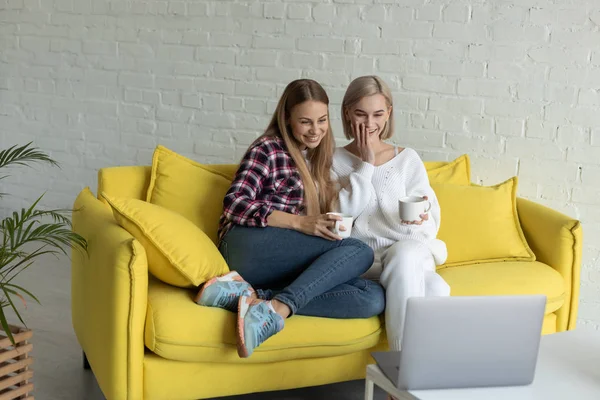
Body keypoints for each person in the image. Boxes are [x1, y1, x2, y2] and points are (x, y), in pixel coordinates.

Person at [194, 79, 386, 358]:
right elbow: (234, 204)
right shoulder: (268, 148)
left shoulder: (320, 159)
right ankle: (276, 310)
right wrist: (301, 223)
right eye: (305, 122)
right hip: (244, 244)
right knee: (358, 251)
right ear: (287, 119)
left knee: (372, 297)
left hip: (278, 261)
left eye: (322, 120)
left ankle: (252, 296)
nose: (315, 130)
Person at [332, 75, 451, 353]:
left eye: (378, 114)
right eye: (360, 114)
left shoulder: (407, 158)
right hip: (365, 262)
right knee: (436, 290)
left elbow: (428, 220)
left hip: (410, 254)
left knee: (407, 253)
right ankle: (425, 381)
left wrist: (420, 217)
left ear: (389, 114)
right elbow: (340, 215)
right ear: (347, 113)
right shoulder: (333, 160)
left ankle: (400, 373)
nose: (370, 124)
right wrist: (366, 164)